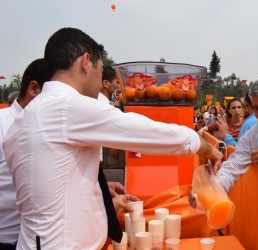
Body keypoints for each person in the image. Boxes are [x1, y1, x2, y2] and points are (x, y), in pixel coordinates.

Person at [3, 27, 222, 249]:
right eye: (100, 71)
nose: (100, 82)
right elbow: (144, 132)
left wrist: (100, 190)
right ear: (86, 62)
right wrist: (203, 145)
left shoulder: (24, 118)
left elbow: (51, 185)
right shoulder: (68, 106)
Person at [0, 59, 49, 249]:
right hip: (7, 239)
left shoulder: (44, 126)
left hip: (38, 240)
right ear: (34, 88)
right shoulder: (3, 124)